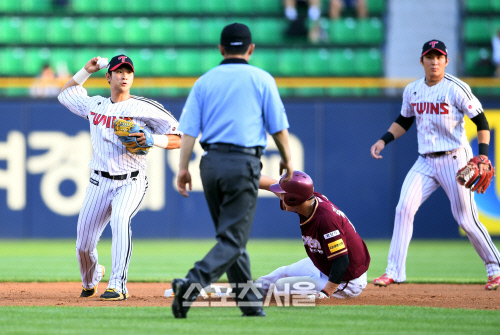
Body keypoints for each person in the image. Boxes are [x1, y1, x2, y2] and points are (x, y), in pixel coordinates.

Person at [172, 22, 293, 318]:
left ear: (221, 49)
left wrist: (182, 168)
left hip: (210, 164)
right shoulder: (262, 79)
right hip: (242, 163)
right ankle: (190, 285)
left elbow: (188, 132)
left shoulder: (204, 81)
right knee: (234, 238)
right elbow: (278, 127)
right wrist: (288, 159)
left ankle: (250, 305)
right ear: (251, 49)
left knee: (230, 237)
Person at [370, 40, 500, 290]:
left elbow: (482, 122)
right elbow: (404, 121)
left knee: (465, 218)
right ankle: (394, 271)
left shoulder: (456, 88)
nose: (435, 61)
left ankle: (495, 268)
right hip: (425, 161)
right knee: (403, 209)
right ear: (422, 61)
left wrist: (483, 156)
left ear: (446, 61)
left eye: (439, 57)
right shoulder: (412, 90)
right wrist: (383, 140)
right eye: (430, 57)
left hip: (456, 159)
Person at [58, 54, 182, 300]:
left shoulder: (144, 107)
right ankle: (93, 278)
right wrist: (85, 70)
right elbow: (65, 94)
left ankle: (117, 284)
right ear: (108, 76)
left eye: (128, 71)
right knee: (84, 245)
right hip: (98, 181)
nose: (124, 75)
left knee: (121, 219)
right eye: (118, 71)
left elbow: (181, 137)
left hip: (131, 180)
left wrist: (152, 139)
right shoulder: (95, 105)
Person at [256, 172, 370, 299]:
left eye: (283, 194)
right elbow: (270, 185)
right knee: (281, 273)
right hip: (324, 263)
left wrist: (326, 292)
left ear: (293, 199)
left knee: (281, 287)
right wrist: (244, 177)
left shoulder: (326, 219)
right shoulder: (306, 201)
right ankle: (243, 293)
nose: (280, 197)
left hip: (346, 279)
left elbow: (342, 261)